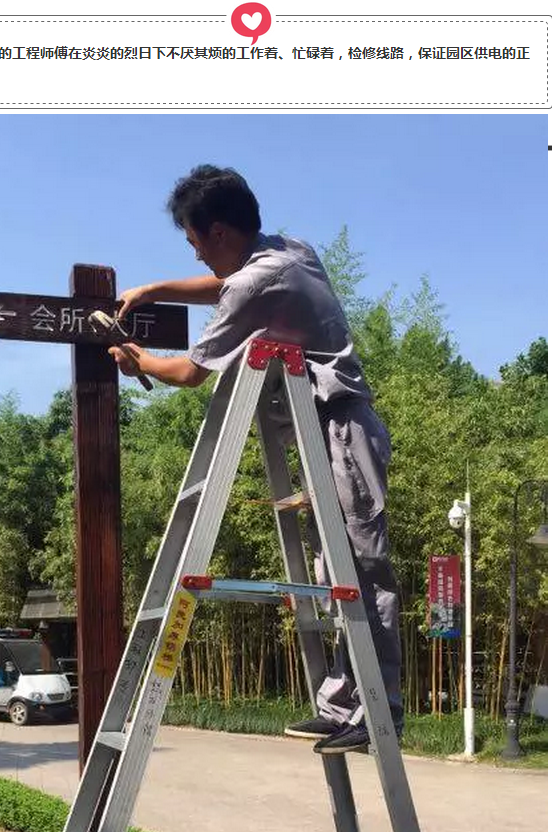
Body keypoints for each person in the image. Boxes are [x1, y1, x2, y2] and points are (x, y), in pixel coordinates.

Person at [109, 164, 403, 754]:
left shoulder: (252, 284)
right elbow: (226, 284)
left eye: (194, 241)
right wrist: (153, 290)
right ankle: (342, 705)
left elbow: (190, 372)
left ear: (218, 231)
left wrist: (138, 361)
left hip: (342, 427)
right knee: (334, 573)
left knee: (363, 572)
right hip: (325, 432)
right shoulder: (293, 251)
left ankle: (379, 713)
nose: (196, 254)